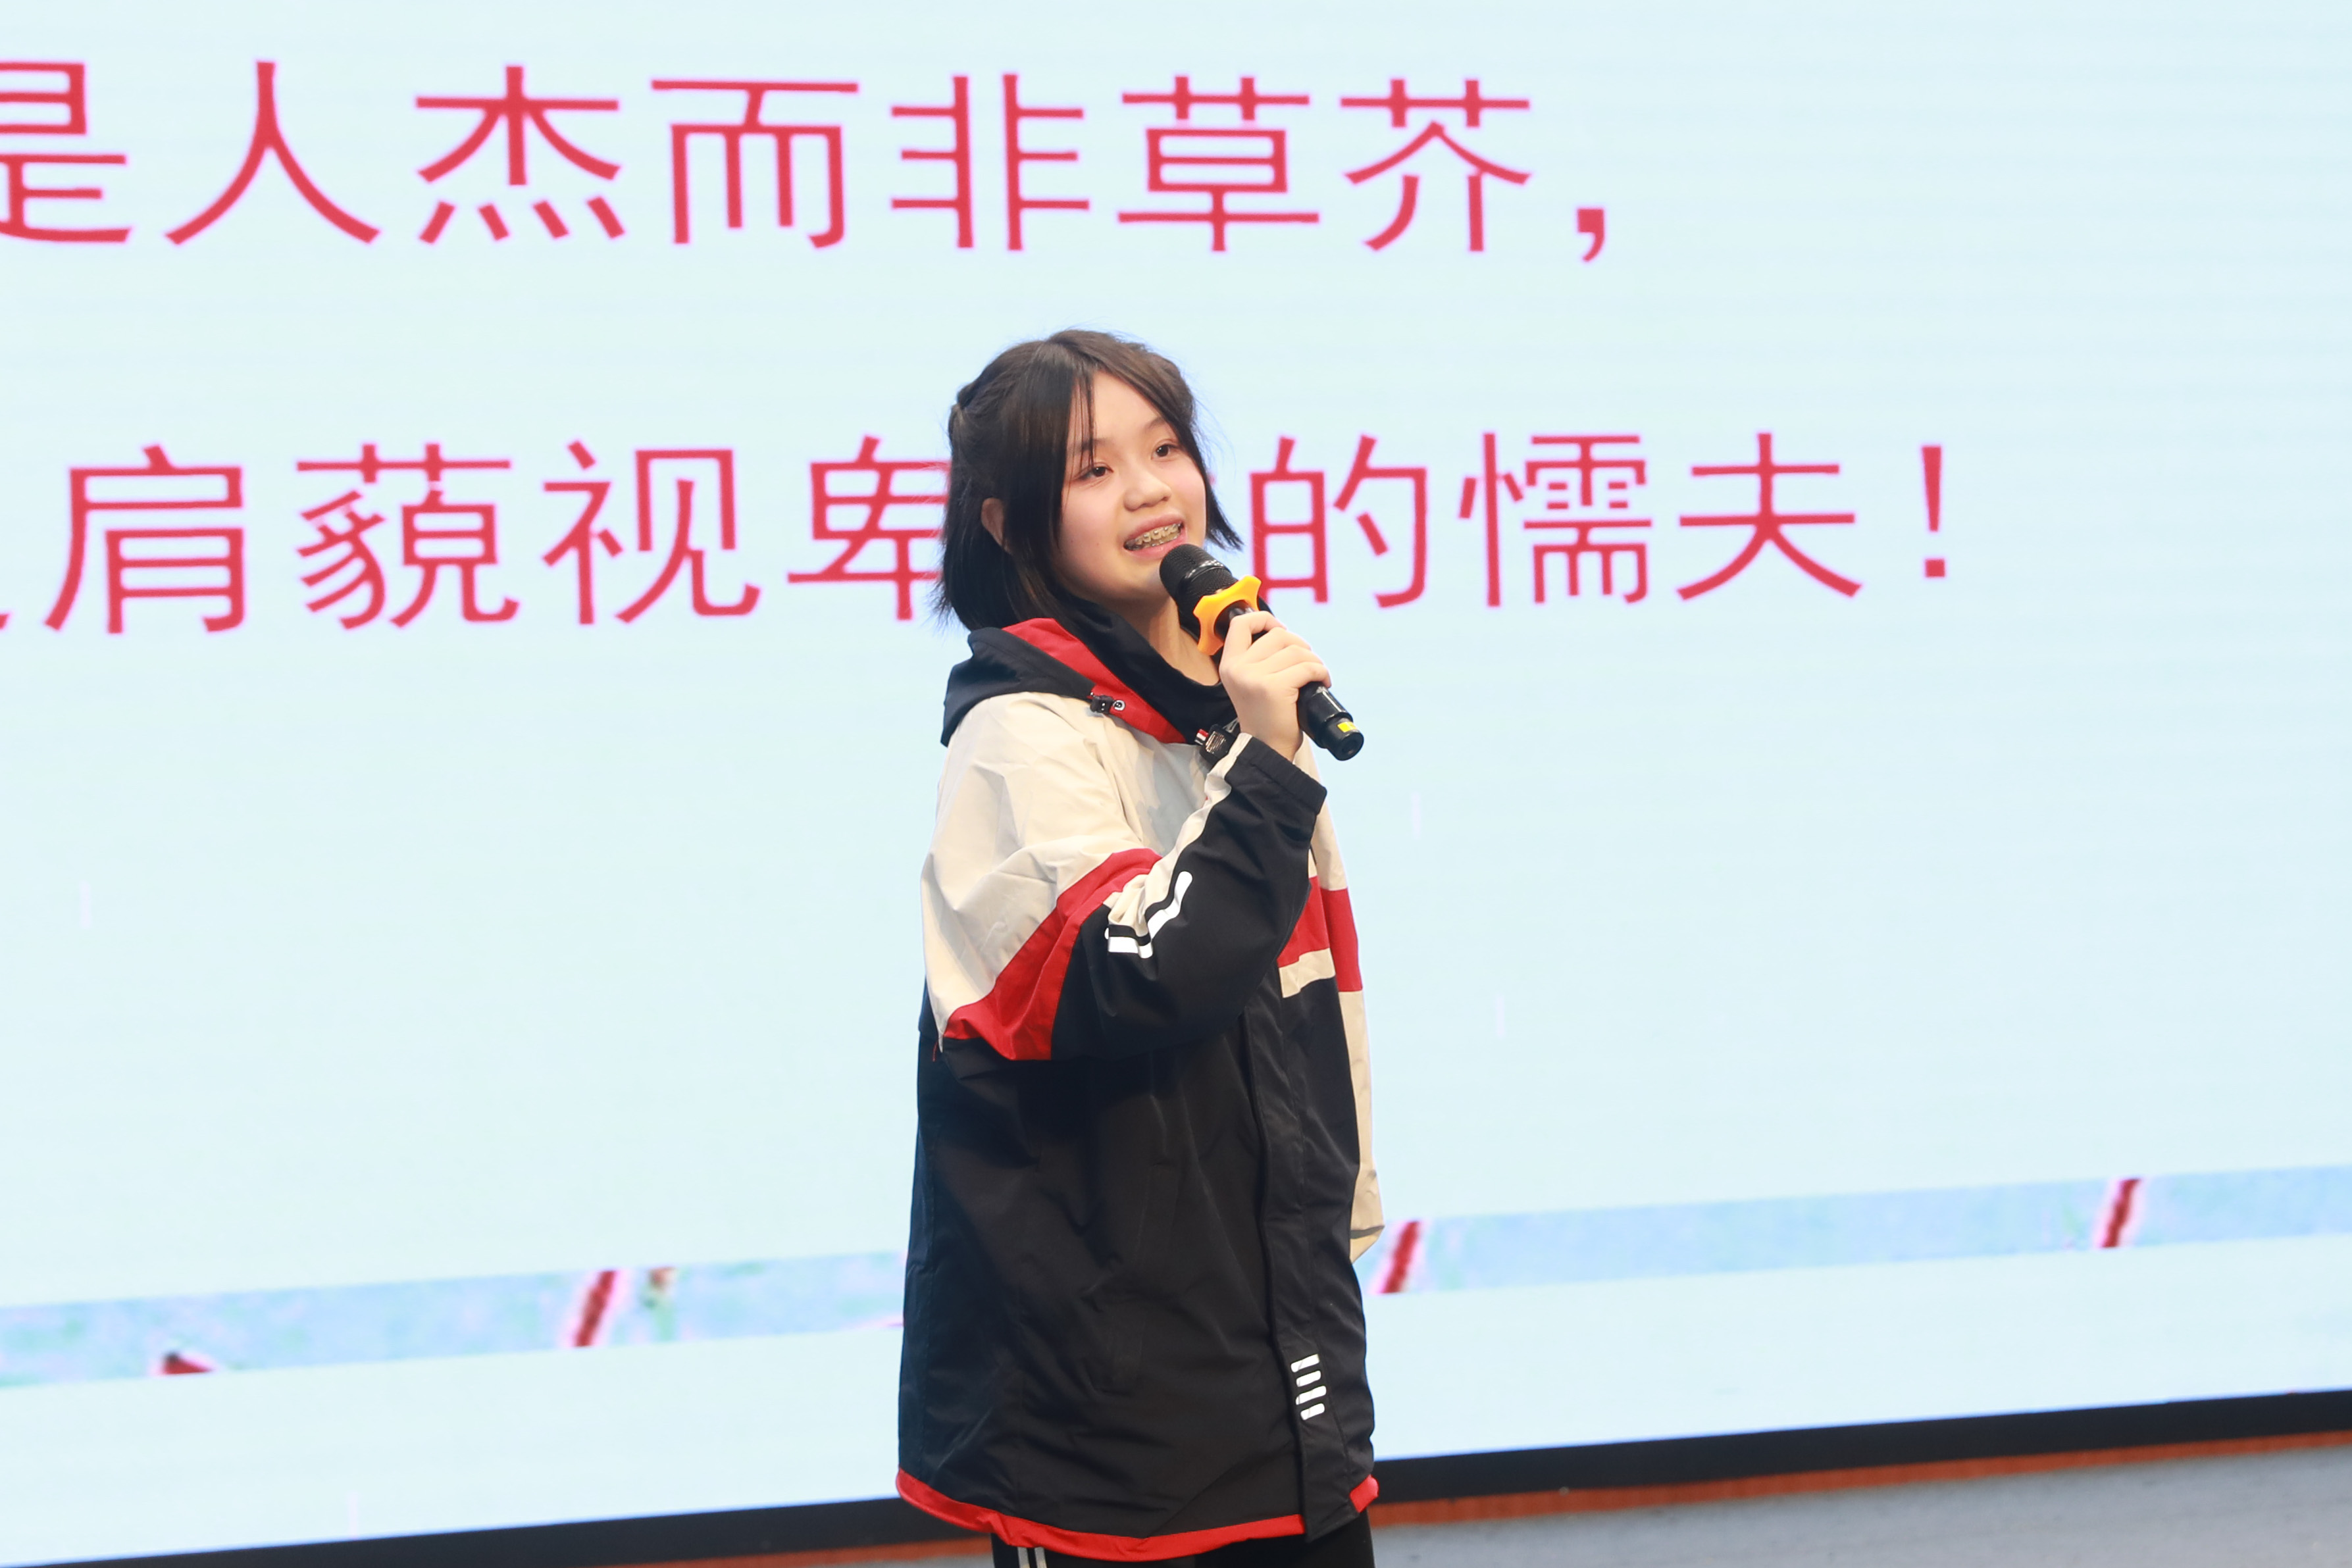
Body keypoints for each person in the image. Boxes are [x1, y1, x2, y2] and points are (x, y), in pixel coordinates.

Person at [898, 330, 1385, 1568]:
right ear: (1009, 525)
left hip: (1279, 1343)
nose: (1152, 491)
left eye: (1166, 450)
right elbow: (1144, 977)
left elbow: (1307, 1020)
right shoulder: (1021, 737)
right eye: (1094, 469)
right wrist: (1267, 769)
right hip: (1103, 1394)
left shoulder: (1237, 719)